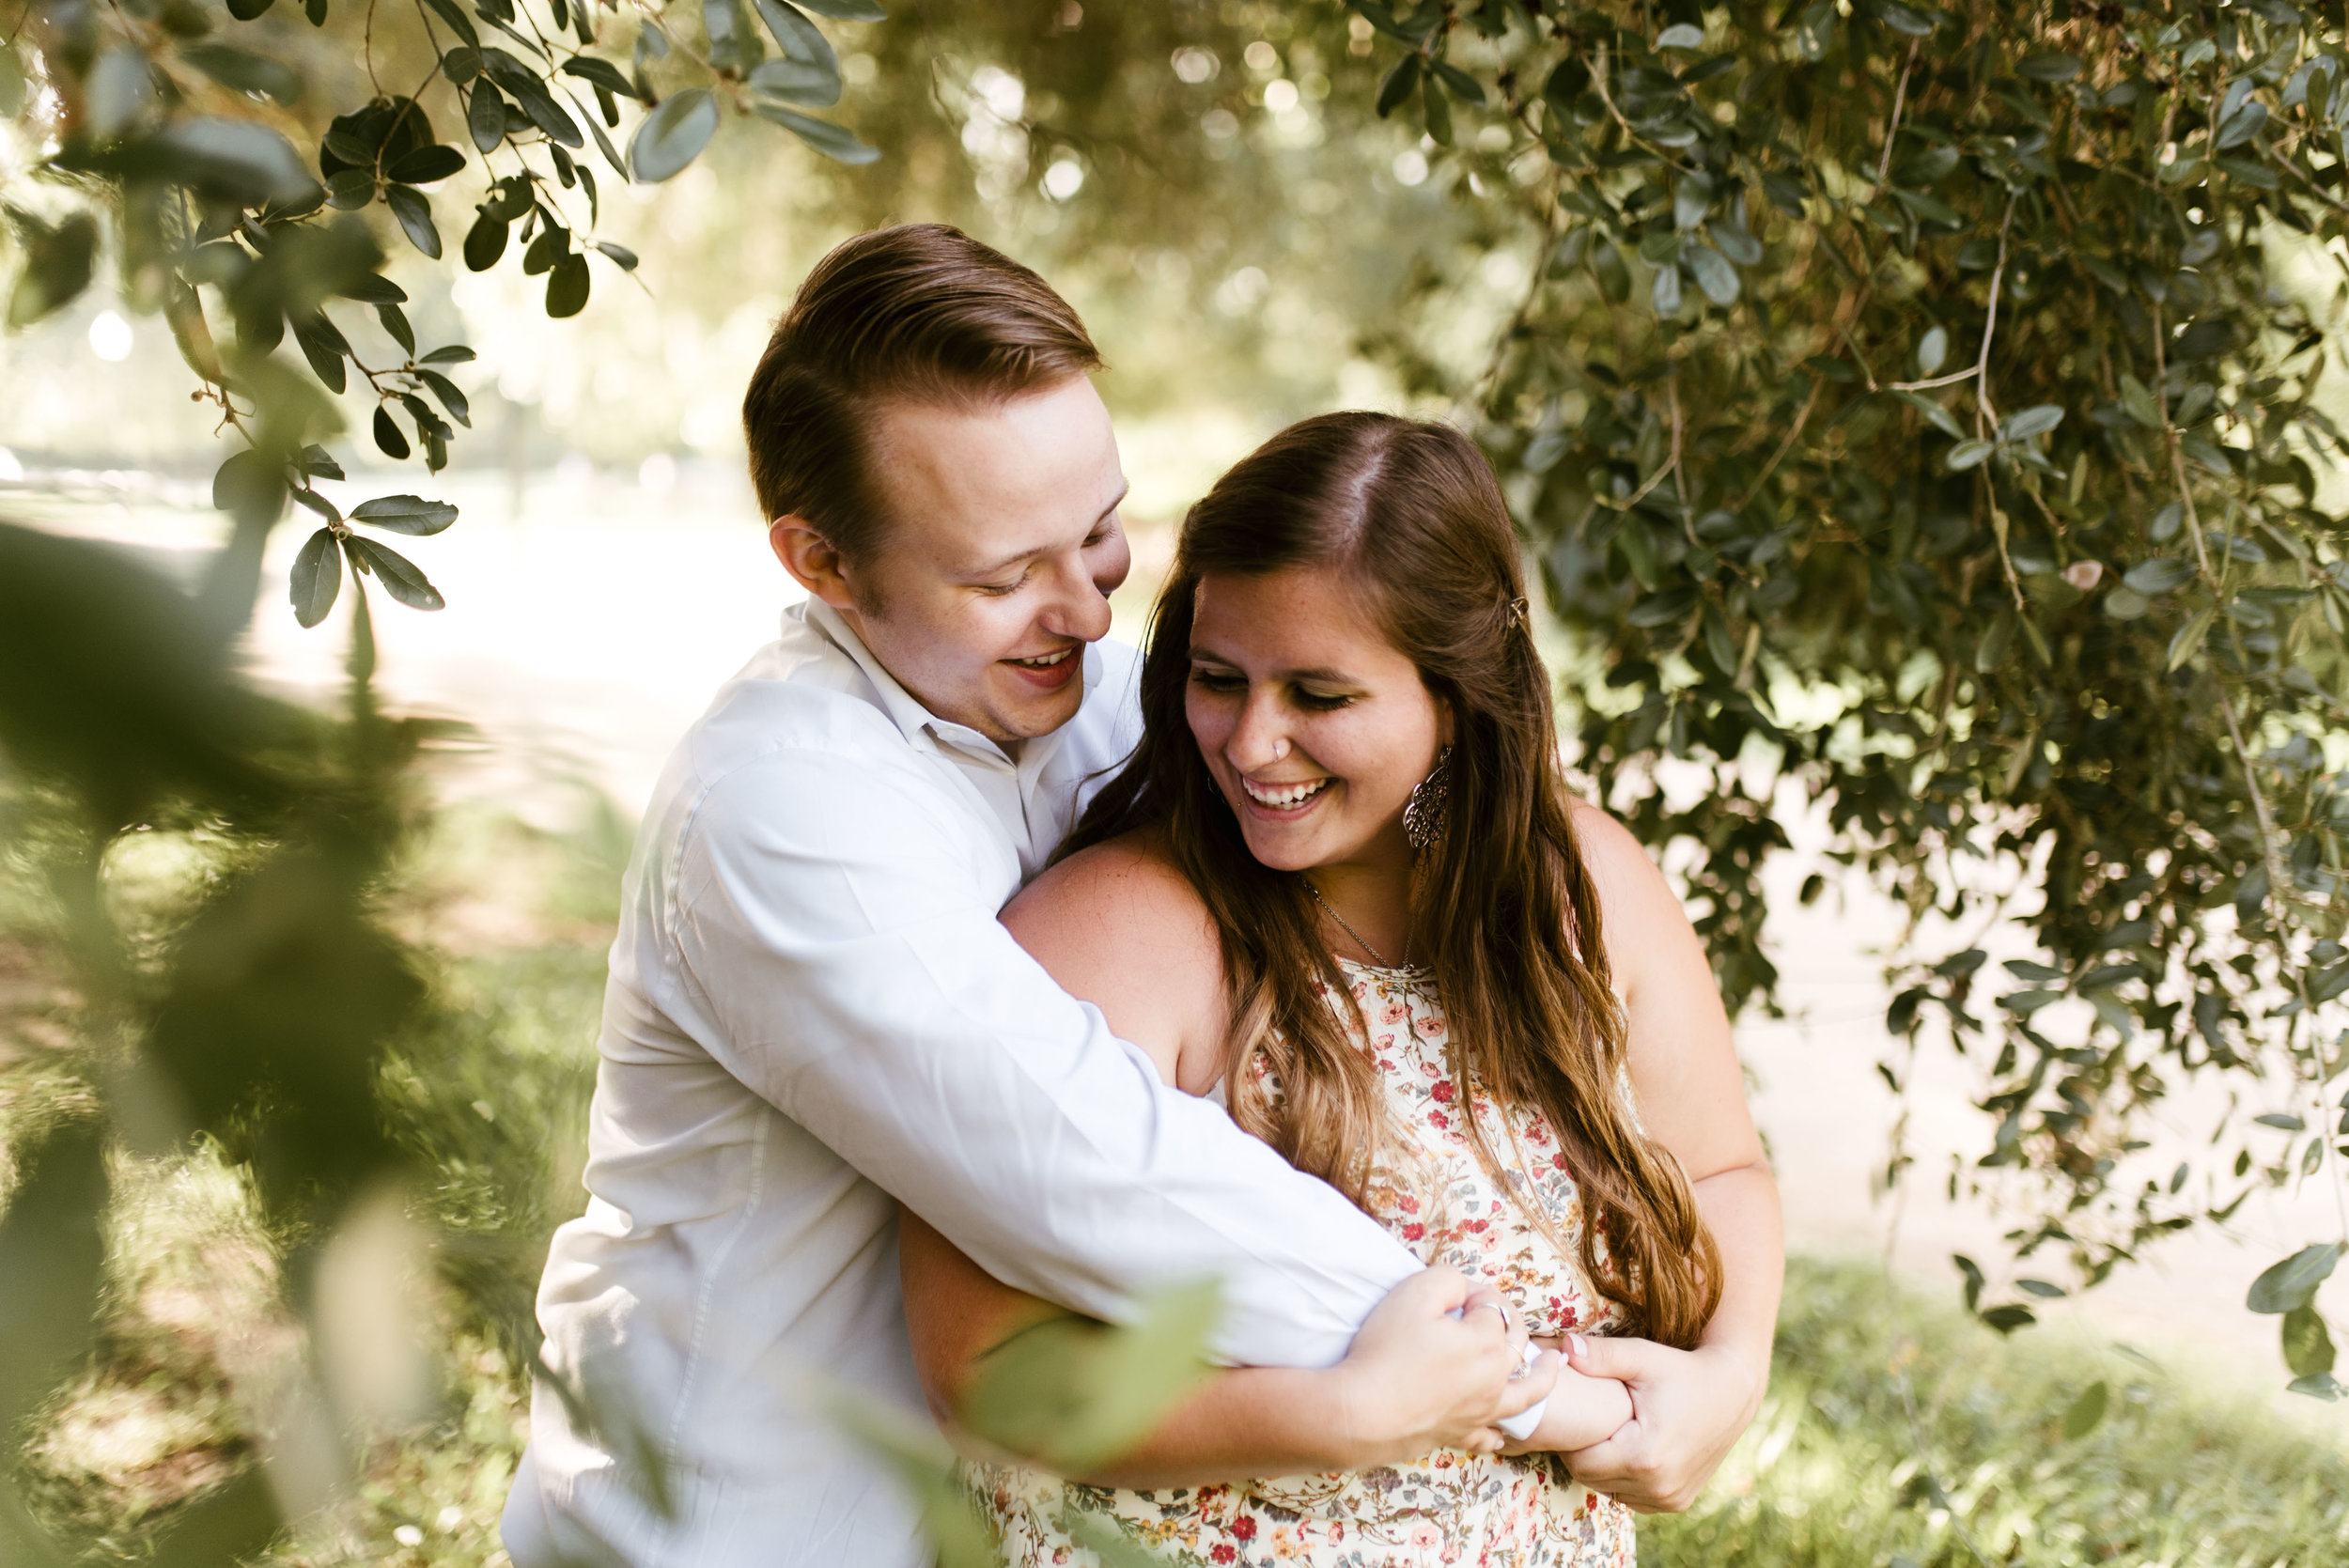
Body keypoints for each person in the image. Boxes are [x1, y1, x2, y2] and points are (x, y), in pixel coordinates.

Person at [499, 227, 1548, 1568]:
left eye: (1104, 532)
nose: (1092, 613)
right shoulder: (781, 810)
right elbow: (1095, 1169)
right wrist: (1518, 1375)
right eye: (1003, 577)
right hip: (736, 1526)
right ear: (822, 563)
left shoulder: (1096, 695)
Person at [901, 411, 1783, 1564]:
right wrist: (1348, 1417)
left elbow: (1720, 1167)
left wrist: (1729, 1373)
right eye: (1218, 679)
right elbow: (990, 1370)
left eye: (1319, 696)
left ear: (1454, 698)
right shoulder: (1113, 934)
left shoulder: (1587, 886)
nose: (1252, 742)